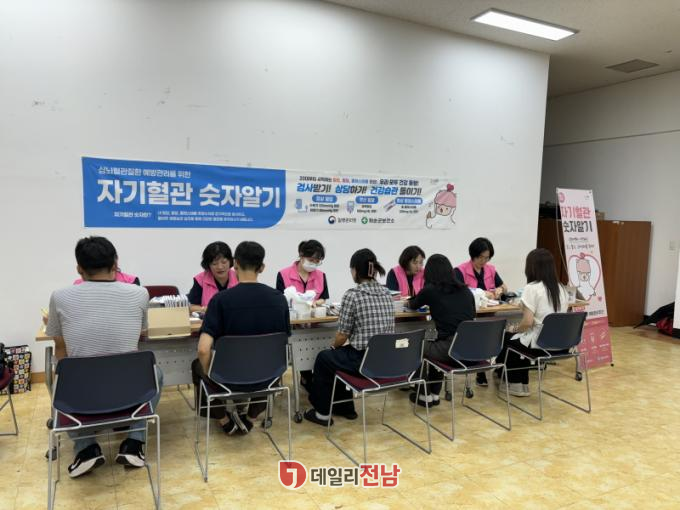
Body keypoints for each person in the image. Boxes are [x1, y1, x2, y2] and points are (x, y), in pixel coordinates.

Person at [45, 237, 160, 478]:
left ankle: (86, 448)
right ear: (115, 263)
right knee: (155, 373)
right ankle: (134, 443)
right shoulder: (140, 293)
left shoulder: (59, 296)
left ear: (79, 268)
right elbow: (139, 336)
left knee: (61, 381)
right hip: (129, 392)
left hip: (83, 395)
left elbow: (60, 347)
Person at [194, 241, 291, 434]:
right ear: (262, 267)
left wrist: (211, 375)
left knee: (197, 366)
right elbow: (282, 344)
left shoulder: (220, 300)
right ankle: (250, 418)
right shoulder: (279, 299)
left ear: (235, 263)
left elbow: (203, 349)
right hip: (267, 376)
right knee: (271, 366)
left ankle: (224, 420)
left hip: (227, 377)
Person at [304, 249, 394, 426]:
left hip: (363, 362)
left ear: (355, 270)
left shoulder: (353, 295)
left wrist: (333, 346)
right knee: (338, 357)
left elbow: (342, 335)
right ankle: (345, 408)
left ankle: (322, 414)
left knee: (325, 358)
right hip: (385, 359)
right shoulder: (387, 293)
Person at [496, 248, 569, 397]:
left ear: (531, 267)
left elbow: (527, 323)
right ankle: (520, 382)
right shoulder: (561, 288)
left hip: (541, 344)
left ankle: (516, 383)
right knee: (519, 339)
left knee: (508, 338)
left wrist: (514, 329)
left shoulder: (532, 288)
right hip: (562, 344)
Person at [406, 254, 476, 407]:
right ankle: (434, 394)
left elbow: (412, 304)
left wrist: (407, 301)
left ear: (429, 272)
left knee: (415, 346)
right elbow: (472, 315)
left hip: (451, 349)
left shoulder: (430, 290)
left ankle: (424, 395)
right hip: (472, 349)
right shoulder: (466, 291)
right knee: (435, 342)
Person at [455, 237, 507, 387]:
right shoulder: (460, 270)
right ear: (473, 255)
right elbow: (458, 293)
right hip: (469, 315)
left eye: (487, 257)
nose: (484, 261)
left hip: (489, 313)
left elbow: (504, 287)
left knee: (498, 333)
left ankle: (489, 368)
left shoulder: (490, 269)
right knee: (481, 334)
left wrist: (499, 289)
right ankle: (481, 370)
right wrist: (483, 293)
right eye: (481, 257)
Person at [188, 241, 238, 314]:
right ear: (208, 265)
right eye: (214, 264)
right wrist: (206, 309)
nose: (220, 267)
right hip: (209, 319)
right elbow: (191, 307)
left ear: (230, 261)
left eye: (224, 262)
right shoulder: (200, 279)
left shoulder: (239, 277)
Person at [276, 239, 330, 306]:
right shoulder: (283, 274)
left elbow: (323, 298)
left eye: (317, 261)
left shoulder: (321, 275)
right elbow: (280, 299)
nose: (314, 264)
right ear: (301, 256)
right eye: (311, 260)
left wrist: (315, 302)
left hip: (313, 312)